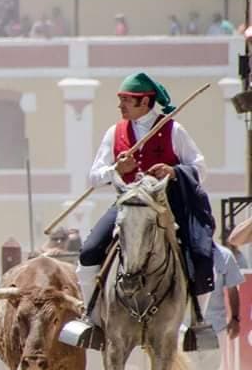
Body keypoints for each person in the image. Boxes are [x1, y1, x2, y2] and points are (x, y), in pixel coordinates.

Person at [77, 72, 215, 345]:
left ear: (145, 101)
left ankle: (195, 321)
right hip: (127, 204)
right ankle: (91, 317)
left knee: (200, 253)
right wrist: (117, 168)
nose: (120, 106)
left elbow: (200, 168)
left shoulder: (174, 130)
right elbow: (93, 177)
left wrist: (173, 171)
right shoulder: (113, 132)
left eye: (126, 100)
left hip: (165, 207)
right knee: (89, 251)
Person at [173, 241, 242, 370]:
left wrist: (235, 318)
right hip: (183, 327)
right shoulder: (179, 253)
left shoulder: (224, 256)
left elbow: (232, 289)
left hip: (213, 327)